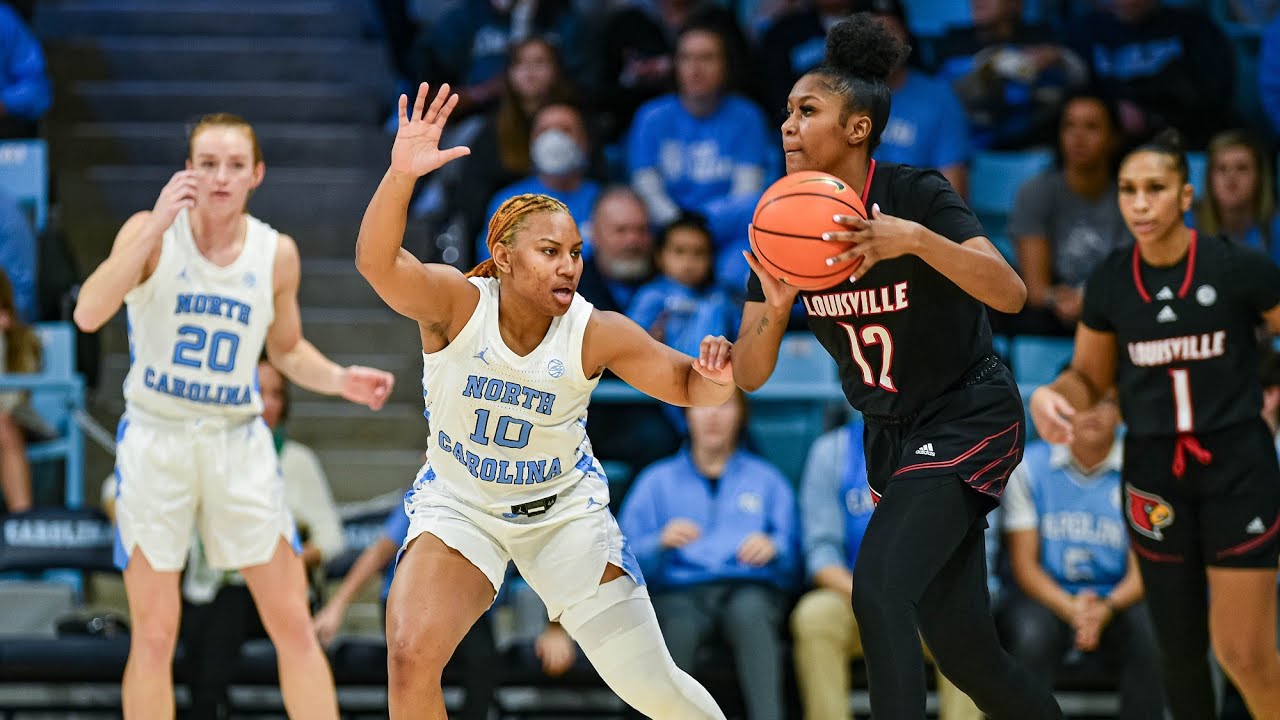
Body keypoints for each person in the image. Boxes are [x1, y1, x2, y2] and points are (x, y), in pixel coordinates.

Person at [355, 81, 735, 720]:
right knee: (408, 654)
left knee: (654, 690)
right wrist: (400, 175)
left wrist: (717, 375)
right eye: (551, 252)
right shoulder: (456, 305)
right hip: (462, 505)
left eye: (577, 254)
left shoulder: (595, 330)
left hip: (562, 514)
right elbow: (376, 264)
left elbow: (690, 386)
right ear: (502, 257)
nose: (569, 266)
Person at [732, 14, 1062, 719]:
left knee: (879, 588)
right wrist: (780, 303)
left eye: (807, 110)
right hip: (888, 434)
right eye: (787, 112)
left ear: (857, 128)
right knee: (967, 651)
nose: (788, 125)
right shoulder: (780, 222)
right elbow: (750, 373)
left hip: (969, 410)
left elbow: (1010, 291)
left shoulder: (913, 194)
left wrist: (914, 241)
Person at [72, 112, 395, 720]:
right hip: (157, 439)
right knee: (154, 633)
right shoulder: (148, 232)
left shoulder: (276, 253)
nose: (220, 177)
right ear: (187, 169)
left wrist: (340, 380)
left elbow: (288, 350)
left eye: (235, 165)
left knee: (292, 623)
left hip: (236, 441)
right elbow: (89, 313)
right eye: (208, 163)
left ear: (257, 174)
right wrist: (155, 226)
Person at [1029, 129, 1280, 719]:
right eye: (1128, 190)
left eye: (1155, 189)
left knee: (1243, 651)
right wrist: (1051, 395)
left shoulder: (1238, 267)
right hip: (1153, 474)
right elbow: (1088, 377)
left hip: (1238, 467)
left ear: (1186, 196)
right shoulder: (1113, 281)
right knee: (1180, 654)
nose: (1140, 203)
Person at [790, 417, 986, 720]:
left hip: (934, 600)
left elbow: (975, 549)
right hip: (856, 597)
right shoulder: (832, 452)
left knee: (968, 620)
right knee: (815, 615)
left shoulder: (964, 449)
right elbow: (821, 552)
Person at [618, 390, 797, 719]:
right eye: (702, 405)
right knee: (673, 627)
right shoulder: (655, 481)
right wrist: (659, 542)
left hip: (748, 589)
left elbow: (795, 559)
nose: (713, 415)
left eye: (725, 404)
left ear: (741, 414)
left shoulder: (767, 480)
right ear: (686, 415)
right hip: (678, 592)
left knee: (752, 615)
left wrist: (776, 548)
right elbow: (623, 560)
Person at [1002, 392, 1164, 718]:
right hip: (1048, 597)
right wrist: (1073, 609)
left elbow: (1143, 570)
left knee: (1153, 630)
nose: (1092, 413)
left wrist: (1105, 608)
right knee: (1029, 633)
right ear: (1061, 411)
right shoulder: (1029, 467)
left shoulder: (1145, 470)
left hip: (1118, 600)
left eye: (1104, 402)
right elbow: (1025, 567)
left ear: (1120, 413)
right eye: (1080, 402)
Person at [312, 499, 499, 720]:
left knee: (481, 658)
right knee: (405, 664)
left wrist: (552, 626)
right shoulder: (423, 495)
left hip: (464, 603)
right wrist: (337, 605)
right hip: (409, 600)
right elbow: (377, 554)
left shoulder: (489, 493)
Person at [1009, 89, 1128, 336]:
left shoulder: (1131, 198)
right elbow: (1036, 289)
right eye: (1069, 126)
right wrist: (1057, 298)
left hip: (1111, 314)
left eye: (1092, 127)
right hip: (1052, 314)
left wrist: (1091, 300)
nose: (1078, 137)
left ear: (1113, 137)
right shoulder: (1036, 191)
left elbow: (1128, 278)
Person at [1189, 129, 1279, 263]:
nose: (1231, 178)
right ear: (1209, 178)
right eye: (1222, 168)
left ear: (1259, 177)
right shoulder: (1186, 225)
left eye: (1242, 168)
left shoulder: (1276, 227)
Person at [0, 266, 38, 513]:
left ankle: (23, 522)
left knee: (2, 425)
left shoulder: (19, 338)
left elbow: (14, 398)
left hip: (16, 417)